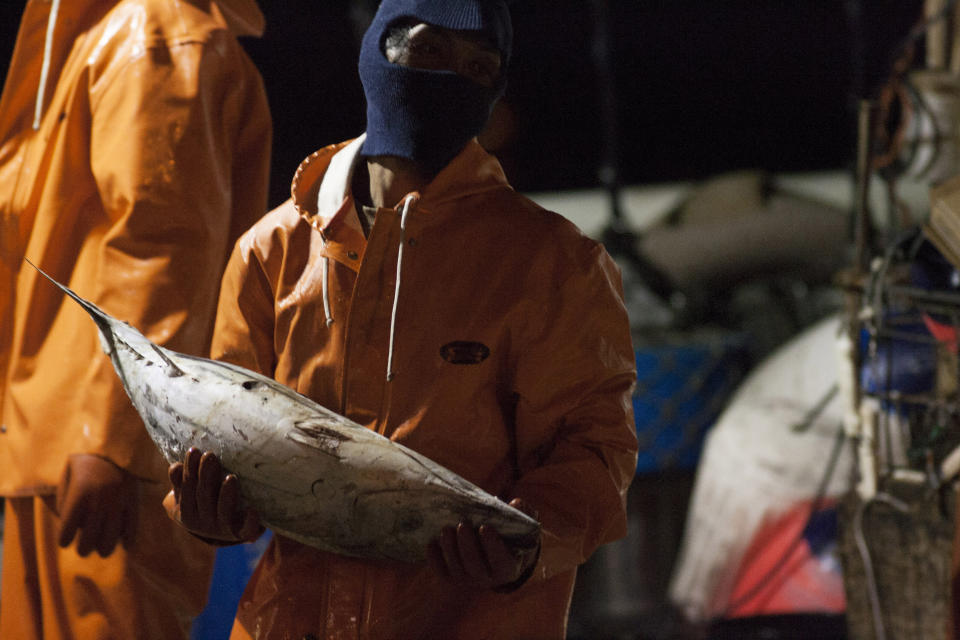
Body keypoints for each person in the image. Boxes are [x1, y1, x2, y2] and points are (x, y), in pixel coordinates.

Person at [164, 0, 638, 638]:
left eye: (479, 67)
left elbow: (595, 448)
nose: (451, 77)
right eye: (429, 50)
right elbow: (220, 431)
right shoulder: (271, 252)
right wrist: (204, 509)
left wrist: (525, 539)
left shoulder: (555, 265)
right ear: (376, 51)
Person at [0, 1, 271, 638]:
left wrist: (114, 441)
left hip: (99, 461)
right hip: (50, 441)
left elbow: (160, 244)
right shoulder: (97, 37)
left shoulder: (156, 33)